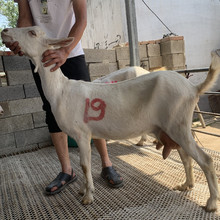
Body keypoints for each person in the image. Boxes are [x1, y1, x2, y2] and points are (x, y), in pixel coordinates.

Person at [5, 0, 123, 194]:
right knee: (51, 109)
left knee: (90, 108)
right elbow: (25, 19)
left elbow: (82, 18)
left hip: (71, 51)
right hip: (41, 54)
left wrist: (65, 50)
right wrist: (20, 41)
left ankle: (106, 164)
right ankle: (67, 171)